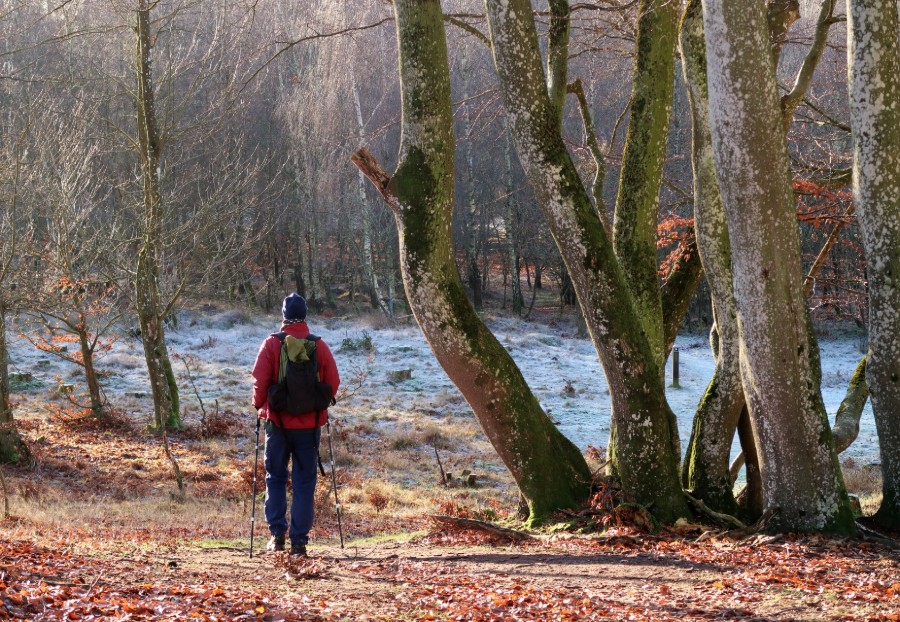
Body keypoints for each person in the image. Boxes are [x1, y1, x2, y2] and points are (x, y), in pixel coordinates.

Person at [251, 293, 340, 556]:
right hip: (309, 426)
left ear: (284, 315)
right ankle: (299, 541)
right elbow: (333, 382)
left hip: (277, 424)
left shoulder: (271, 344)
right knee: (304, 483)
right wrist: (320, 404)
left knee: (275, 478)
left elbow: (259, 381)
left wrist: (260, 407)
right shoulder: (318, 345)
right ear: (305, 314)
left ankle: (277, 535)